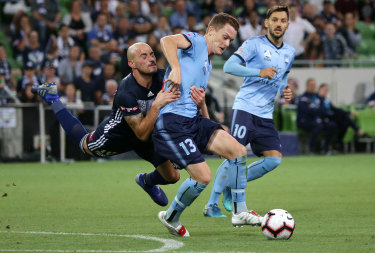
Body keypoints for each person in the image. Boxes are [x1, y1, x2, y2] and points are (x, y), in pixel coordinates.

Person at [31, 43, 204, 207]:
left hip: (148, 132)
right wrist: (157, 104)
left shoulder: (163, 78)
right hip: (121, 133)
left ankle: (146, 181)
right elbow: (140, 133)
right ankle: (53, 97)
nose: (151, 59)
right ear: (132, 63)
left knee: (172, 176)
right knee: (84, 145)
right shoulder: (126, 92)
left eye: (152, 54)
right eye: (144, 56)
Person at [153, 13, 261, 238]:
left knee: (238, 151)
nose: (227, 43)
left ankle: (240, 211)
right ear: (211, 31)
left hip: (192, 120)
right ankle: (172, 216)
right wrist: (176, 68)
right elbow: (167, 40)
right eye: (224, 37)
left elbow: (197, 106)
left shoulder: (208, 63)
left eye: (231, 41)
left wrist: (203, 106)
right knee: (203, 176)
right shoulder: (197, 41)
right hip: (172, 121)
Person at [203, 6, 295, 218]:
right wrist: (258, 71)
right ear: (266, 23)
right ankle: (211, 204)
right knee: (232, 156)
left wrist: (285, 91)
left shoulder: (290, 52)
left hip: (265, 114)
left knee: (274, 160)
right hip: (245, 108)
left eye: (283, 20)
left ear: (287, 25)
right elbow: (229, 66)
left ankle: (231, 186)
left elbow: (281, 78)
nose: (279, 24)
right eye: (275, 20)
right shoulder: (254, 44)